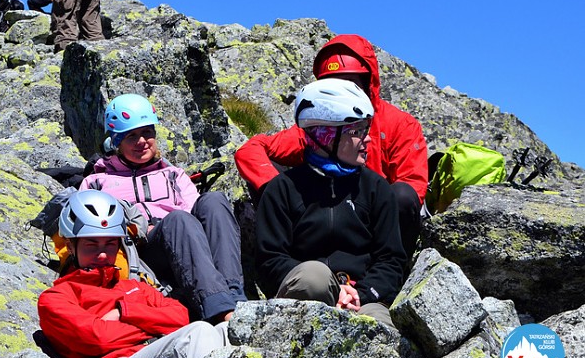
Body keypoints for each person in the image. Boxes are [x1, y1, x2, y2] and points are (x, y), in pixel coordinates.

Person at [234, 34, 428, 256]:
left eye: (350, 82)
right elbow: (250, 151)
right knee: (274, 176)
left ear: (368, 82)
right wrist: (276, 191)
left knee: (403, 196)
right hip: (321, 229)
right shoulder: (317, 129)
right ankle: (289, 261)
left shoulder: (401, 125)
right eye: (334, 83)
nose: (343, 91)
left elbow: (412, 189)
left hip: (377, 230)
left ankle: (391, 268)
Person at [80, 94, 246, 323]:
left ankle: (234, 295)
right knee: (177, 219)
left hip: (184, 241)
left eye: (147, 133)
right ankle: (218, 310)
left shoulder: (173, 174)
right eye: (131, 136)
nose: (141, 141)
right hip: (140, 251)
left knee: (214, 201)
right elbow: (91, 227)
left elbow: (196, 213)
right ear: (117, 142)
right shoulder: (97, 182)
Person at [255, 79, 407, 328]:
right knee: (314, 277)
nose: (367, 140)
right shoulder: (282, 189)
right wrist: (334, 289)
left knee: (380, 327)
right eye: (356, 132)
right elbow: (270, 260)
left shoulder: (377, 189)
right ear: (325, 136)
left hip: (362, 300)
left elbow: (391, 260)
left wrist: (361, 294)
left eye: (365, 129)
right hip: (304, 295)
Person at [37, 189, 230, 358]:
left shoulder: (135, 286)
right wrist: (155, 326)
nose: (102, 254)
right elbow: (98, 339)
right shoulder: (55, 298)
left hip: (161, 351)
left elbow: (180, 317)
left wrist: (125, 313)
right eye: (91, 245)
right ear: (70, 246)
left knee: (225, 331)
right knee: (199, 333)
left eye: (110, 244)